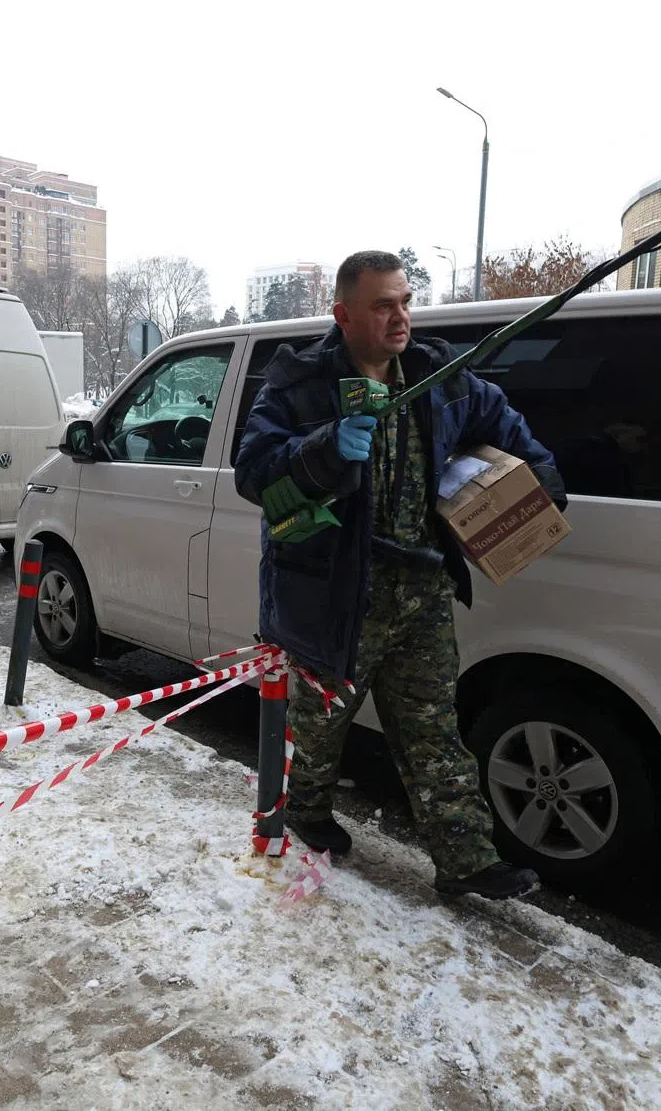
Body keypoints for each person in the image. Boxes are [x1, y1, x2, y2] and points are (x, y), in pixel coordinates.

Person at [234, 250, 567, 901]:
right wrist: (322, 448)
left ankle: (465, 859)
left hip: (419, 586)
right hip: (332, 589)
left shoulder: (440, 377)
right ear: (345, 314)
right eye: (383, 304)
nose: (400, 316)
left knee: (431, 726)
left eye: (405, 300)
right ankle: (304, 815)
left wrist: (543, 484)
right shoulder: (299, 382)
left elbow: (507, 428)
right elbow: (254, 471)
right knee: (320, 726)